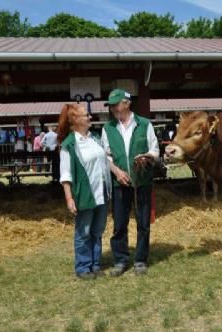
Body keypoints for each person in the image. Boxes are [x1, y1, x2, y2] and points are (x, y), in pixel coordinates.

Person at [101, 89, 159, 276]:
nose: (113, 109)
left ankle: (140, 260)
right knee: (119, 223)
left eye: (116, 104)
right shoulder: (107, 128)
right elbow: (105, 156)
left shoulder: (144, 124)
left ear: (127, 103)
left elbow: (155, 150)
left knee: (143, 222)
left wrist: (147, 157)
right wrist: (117, 172)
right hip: (120, 182)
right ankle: (120, 259)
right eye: (111, 105)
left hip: (142, 180)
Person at [58, 104, 112, 280]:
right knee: (84, 231)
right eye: (85, 115)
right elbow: (65, 175)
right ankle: (83, 267)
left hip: (101, 192)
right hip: (84, 193)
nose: (90, 117)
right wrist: (69, 199)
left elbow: (105, 161)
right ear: (75, 121)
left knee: (97, 230)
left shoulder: (94, 138)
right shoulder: (69, 144)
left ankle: (95, 265)